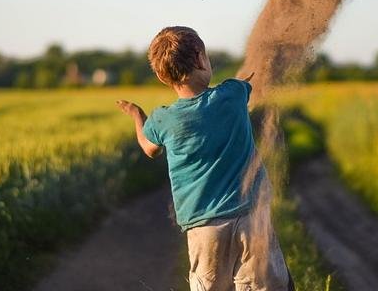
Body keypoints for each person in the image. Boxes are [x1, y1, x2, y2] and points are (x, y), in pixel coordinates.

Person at [116, 26, 293, 291]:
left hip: (204, 227)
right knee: (267, 285)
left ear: (163, 77)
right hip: (251, 216)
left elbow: (149, 148)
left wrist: (137, 115)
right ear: (200, 58)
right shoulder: (232, 94)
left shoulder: (162, 119)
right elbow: (248, 79)